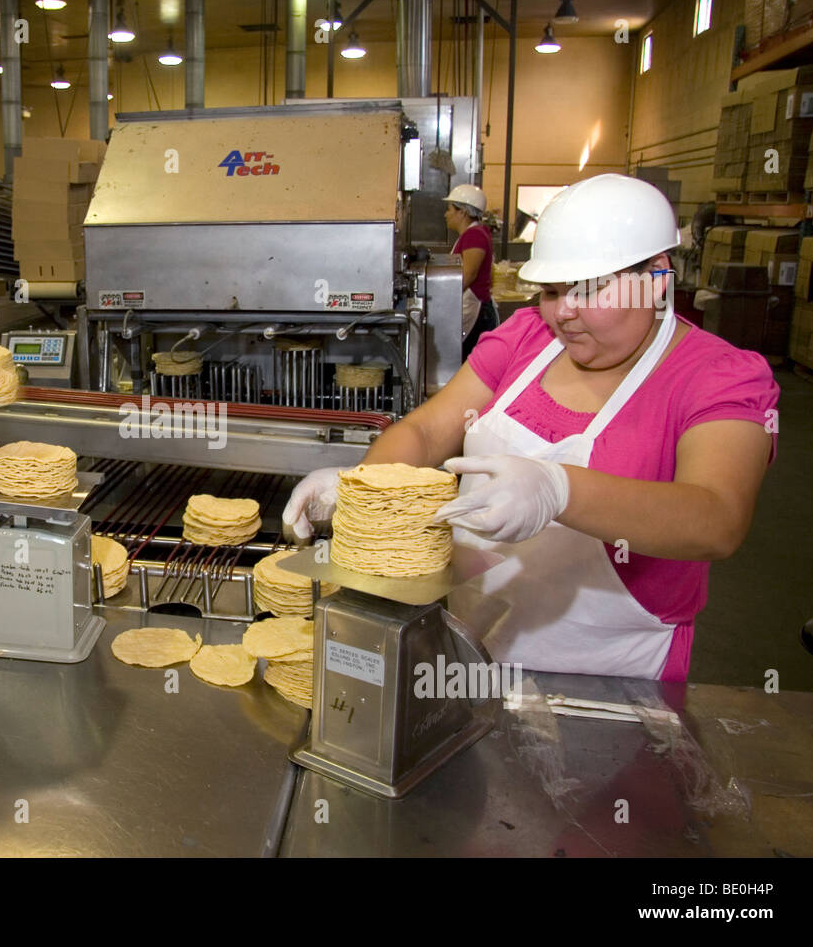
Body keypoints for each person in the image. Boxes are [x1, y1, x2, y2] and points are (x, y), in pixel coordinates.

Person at [283, 174, 779, 682]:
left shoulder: (718, 376)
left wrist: (559, 490)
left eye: (590, 289)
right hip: (469, 649)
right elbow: (429, 431)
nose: (564, 312)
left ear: (657, 276)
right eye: (551, 290)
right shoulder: (527, 337)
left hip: (610, 675)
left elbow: (717, 519)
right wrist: (366, 485)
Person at [443, 183, 498, 359]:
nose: (446, 214)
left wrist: (444, 302)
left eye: (449, 209)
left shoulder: (474, 235)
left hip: (476, 311)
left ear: (463, 212)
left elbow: (469, 274)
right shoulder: (472, 234)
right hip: (473, 307)